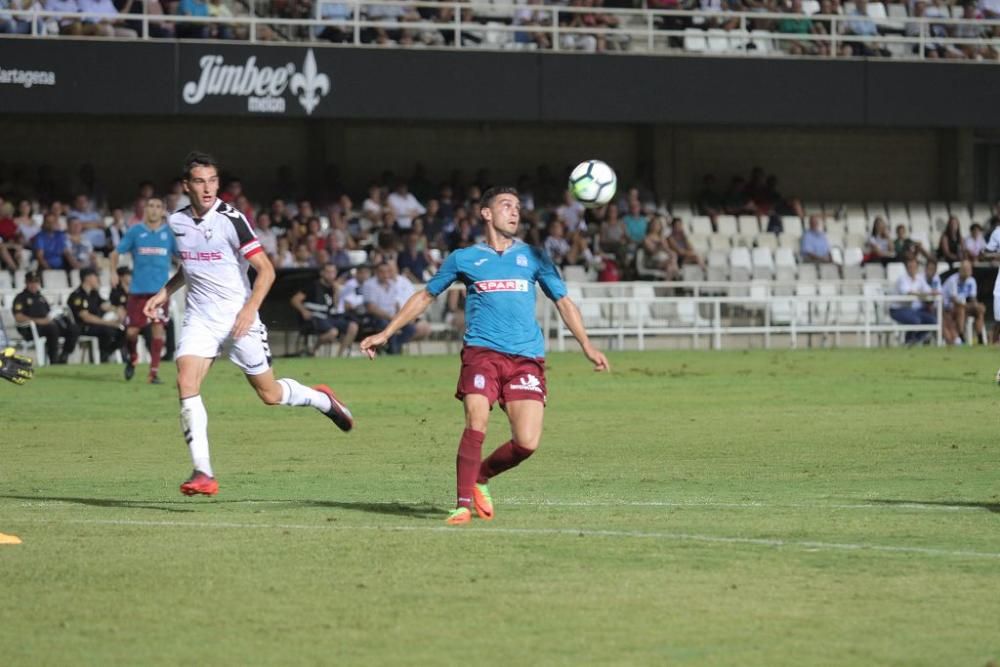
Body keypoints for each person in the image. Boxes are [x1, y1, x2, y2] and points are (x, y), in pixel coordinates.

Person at [360, 186, 610, 526]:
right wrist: (386, 333)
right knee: (477, 419)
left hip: (526, 357)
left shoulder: (534, 257)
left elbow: (563, 302)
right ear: (486, 214)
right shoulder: (464, 258)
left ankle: (480, 476)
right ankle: (462, 505)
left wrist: (587, 345)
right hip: (482, 352)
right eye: (506, 205)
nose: (515, 212)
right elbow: (425, 296)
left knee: (527, 442)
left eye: (518, 207)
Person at [143, 151, 354, 497]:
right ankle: (203, 471)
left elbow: (266, 270)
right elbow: (192, 267)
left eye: (213, 180)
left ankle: (322, 400)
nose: (208, 188)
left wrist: (248, 309)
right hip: (200, 318)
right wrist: (164, 292)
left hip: (239, 317)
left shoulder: (231, 219)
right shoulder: (177, 223)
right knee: (185, 379)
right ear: (187, 186)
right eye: (200, 181)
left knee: (269, 394)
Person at [109, 196, 176, 384]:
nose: (154, 210)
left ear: (163, 210)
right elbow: (115, 253)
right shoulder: (136, 231)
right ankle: (132, 357)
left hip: (160, 292)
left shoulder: (169, 234)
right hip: (138, 291)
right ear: (145, 209)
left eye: (157, 206)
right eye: (150, 206)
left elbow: (182, 257)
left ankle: (153, 373)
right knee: (131, 332)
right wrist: (113, 273)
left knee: (157, 330)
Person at [361, 261, 431, 354]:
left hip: (393, 316)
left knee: (410, 328)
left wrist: (399, 317)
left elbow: (396, 303)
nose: (385, 275)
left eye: (387, 271)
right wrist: (392, 318)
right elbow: (371, 308)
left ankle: (391, 349)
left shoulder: (393, 284)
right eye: (382, 272)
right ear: (376, 272)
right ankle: (393, 352)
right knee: (387, 325)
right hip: (377, 318)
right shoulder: (369, 284)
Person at [11, 270, 79, 364]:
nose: (34, 285)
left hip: (47, 325)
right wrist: (39, 321)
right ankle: (54, 360)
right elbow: (18, 317)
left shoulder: (41, 297)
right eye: (31, 282)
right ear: (26, 283)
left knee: (72, 327)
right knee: (52, 328)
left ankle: (64, 355)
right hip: (30, 329)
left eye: (36, 282)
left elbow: (48, 313)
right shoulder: (21, 298)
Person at [291, 263, 358, 357]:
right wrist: (303, 311)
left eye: (333, 272)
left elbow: (335, 306)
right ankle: (312, 351)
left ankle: (340, 356)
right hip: (315, 317)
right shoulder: (313, 285)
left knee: (353, 326)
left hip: (328, 317)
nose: (331, 275)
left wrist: (336, 292)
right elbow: (295, 300)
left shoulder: (333, 288)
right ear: (322, 273)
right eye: (328, 272)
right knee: (333, 332)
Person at [67, 267, 126, 363]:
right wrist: (107, 323)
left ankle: (108, 352)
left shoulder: (94, 294)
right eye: (96, 277)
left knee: (123, 331)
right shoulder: (77, 295)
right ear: (88, 278)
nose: (98, 280)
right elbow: (85, 317)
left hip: (98, 325)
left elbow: (104, 305)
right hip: (84, 327)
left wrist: (117, 309)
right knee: (107, 331)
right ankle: (103, 356)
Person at [889, 258, 936, 345]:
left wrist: (934, 292)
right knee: (915, 320)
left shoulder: (919, 278)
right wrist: (922, 294)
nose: (912, 269)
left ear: (917, 267)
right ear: (906, 268)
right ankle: (908, 341)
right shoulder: (902, 279)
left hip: (911, 309)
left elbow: (928, 290)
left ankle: (915, 340)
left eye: (914, 267)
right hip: (897, 310)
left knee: (932, 321)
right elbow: (907, 292)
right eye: (910, 267)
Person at [942, 259, 985, 345]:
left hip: (964, 306)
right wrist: (967, 306)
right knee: (961, 309)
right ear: (960, 270)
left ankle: (980, 338)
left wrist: (976, 305)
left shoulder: (971, 281)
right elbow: (954, 301)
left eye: (968, 269)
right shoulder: (952, 280)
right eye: (964, 269)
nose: (966, 271)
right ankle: (961, 337)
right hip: (948, 309)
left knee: (979, 310)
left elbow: (973, 298)